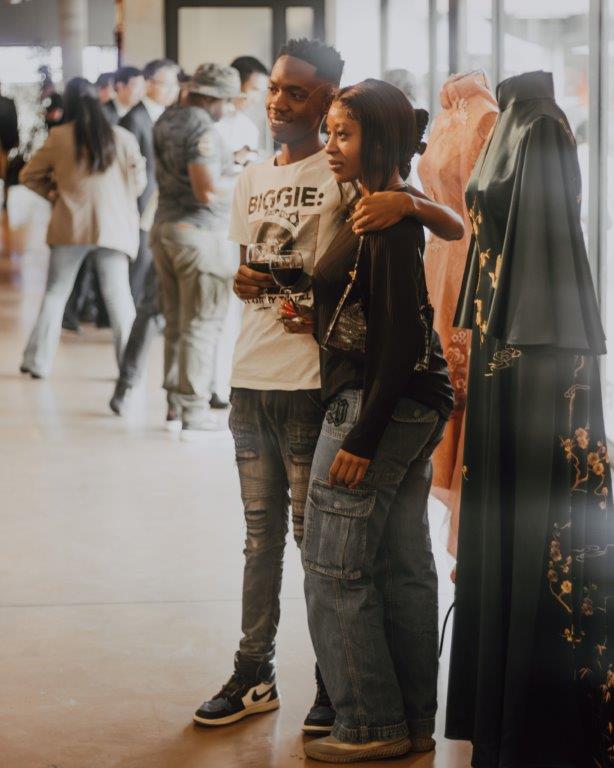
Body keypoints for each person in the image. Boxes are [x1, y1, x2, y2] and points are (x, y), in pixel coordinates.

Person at [192, 38, 463, 731]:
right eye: (275, 88)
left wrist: (410, 206)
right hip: (257, 375)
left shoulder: (353, 173)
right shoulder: (254, 176)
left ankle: (341, 693)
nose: (280, 101)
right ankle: (260, 673)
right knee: (267, 542)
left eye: (299, 92)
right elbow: (285, 272)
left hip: (325, 386)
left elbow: (441, 225)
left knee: (334, 555)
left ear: (330, 100)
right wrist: (252, 280)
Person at [299, 78, 453, 764]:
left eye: (345, 135)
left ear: (382, 140)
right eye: (330, 133)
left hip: (376, 403)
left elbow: (396, 339)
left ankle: (370, 723)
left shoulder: (384, 217)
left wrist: (362, 437)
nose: (331, 146)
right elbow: (380, 320)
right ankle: (411, 719)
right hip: (398, 399)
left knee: (334, 567)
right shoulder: (374, 205)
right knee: (399, 563)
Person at [19, 77, 145, 379]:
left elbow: (28, 175)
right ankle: (129, 368)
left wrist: (53, 192)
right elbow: (139, 183)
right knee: (119, 297)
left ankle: (37, 362)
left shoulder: (59, 136)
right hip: (113, 228)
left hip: (70, 226)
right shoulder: (122, 136)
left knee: (55, 293)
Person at [149, 64, 238, 436]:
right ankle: (195, 408)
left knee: (177, 322)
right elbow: (205, 190)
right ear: (210, 97)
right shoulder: (202, 127)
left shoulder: (167, 118)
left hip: (166, 228)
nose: (228, 108)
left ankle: (175, 403)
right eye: (226, 101)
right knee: (202, 323)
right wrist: (245, 177)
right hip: (199, 235)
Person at [119, 59, 179, 304]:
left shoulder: (162, 115)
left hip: (157, 201)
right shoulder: (135, 119)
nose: (172, 91)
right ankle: (130, 316)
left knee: (153, 261)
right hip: (140, 203)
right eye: (166, 85)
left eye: (174, 86)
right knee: (140, 261)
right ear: (148, 83)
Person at [216, 56, 269, 158]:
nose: (257, 99)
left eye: (260, 92)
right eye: (254, 90)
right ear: (235, 84)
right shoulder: (208, 121)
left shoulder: (250, 129)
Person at [0, 81, 19, 199]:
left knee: (5, 174)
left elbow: (14, 122)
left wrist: (15, 141)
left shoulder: (8, 102)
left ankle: (5, 200)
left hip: (4, 144)